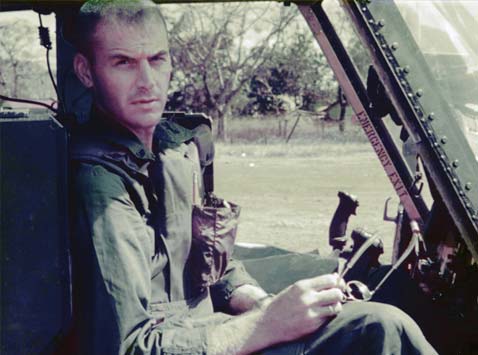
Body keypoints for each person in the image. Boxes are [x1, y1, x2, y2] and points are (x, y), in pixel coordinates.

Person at [67, 1, 438, 354]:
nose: (147, 81)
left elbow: (214, 269)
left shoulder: (173, 149)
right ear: (86, 71)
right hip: (191, 342)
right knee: (379, 327)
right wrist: (268, 322)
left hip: (212, 329)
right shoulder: (100, 183)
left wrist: (266, 303)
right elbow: (130, 348)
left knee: (371, 309)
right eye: (123, 63)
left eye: (157, 59)